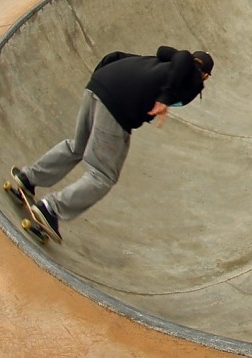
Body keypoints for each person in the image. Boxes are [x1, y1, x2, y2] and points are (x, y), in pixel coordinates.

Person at [11, 47, 213, 242]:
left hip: (99, 84)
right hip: (117, 107)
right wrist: (165, 97)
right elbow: (185, 58)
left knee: (77, 147)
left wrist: (98, 80)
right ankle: (50, 209)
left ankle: (28, 178)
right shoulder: (193, 78)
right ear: (205, 75)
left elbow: (116, 55)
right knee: (103, 175)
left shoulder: (160, 61)